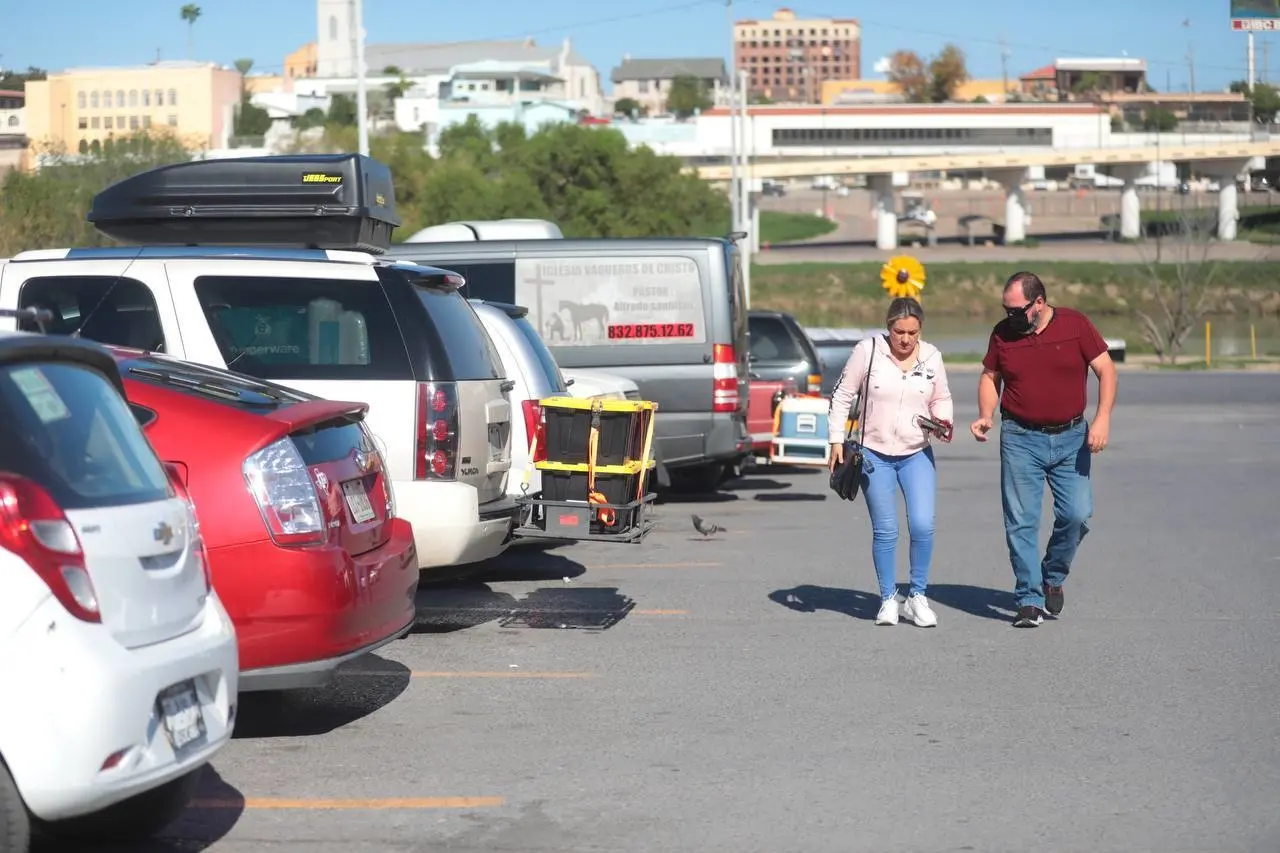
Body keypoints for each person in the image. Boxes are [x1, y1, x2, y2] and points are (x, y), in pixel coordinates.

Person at [970, 271, 1117, 628]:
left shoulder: (1076, 325)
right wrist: (985, 414)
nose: (1010, 317)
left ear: (1039, 304)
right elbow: (991, 376)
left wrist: (1102, 419)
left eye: (1016, 310)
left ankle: (1052, 575)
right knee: (1021, 521)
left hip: (1071, 437)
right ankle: (1029, 599)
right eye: (1006, 309)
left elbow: (1106, 369)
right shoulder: (1003, 334)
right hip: (1020, 438)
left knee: (1077, 514)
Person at [828, 297, 954, 627]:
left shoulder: (932, 357)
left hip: (916, 452)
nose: (906, 339)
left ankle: (917, 597)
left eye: (913, 332)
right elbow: (841, 395)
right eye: (899, 331)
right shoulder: (867, 351)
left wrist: (942, 420)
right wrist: (835, 439)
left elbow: (941, 397)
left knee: (923, 525)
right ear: (888, 328)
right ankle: (887, 599)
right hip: (874, 455)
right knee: (886, 530)